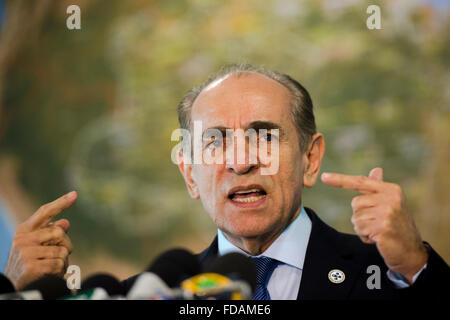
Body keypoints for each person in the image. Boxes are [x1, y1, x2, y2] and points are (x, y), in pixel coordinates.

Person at [4, 64, 449, 299]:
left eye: (264, 136)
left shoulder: (385, 277)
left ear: (310, 159)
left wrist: (415, 266)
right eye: (215, 142)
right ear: (189, 174)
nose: (241, 161)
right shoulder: (155, 294)